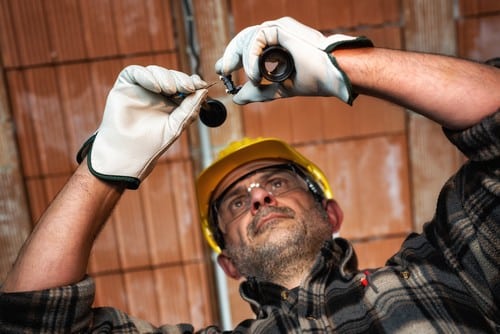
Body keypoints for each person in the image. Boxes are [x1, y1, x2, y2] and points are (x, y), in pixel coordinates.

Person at [0, 16, 499, 333]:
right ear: (228, 264)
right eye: (236, 203)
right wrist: (105, 166)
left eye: (277, 182)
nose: (258, 198)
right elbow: (32, 324)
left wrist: (344, 64)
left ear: (330, 211)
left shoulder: (447, 269)